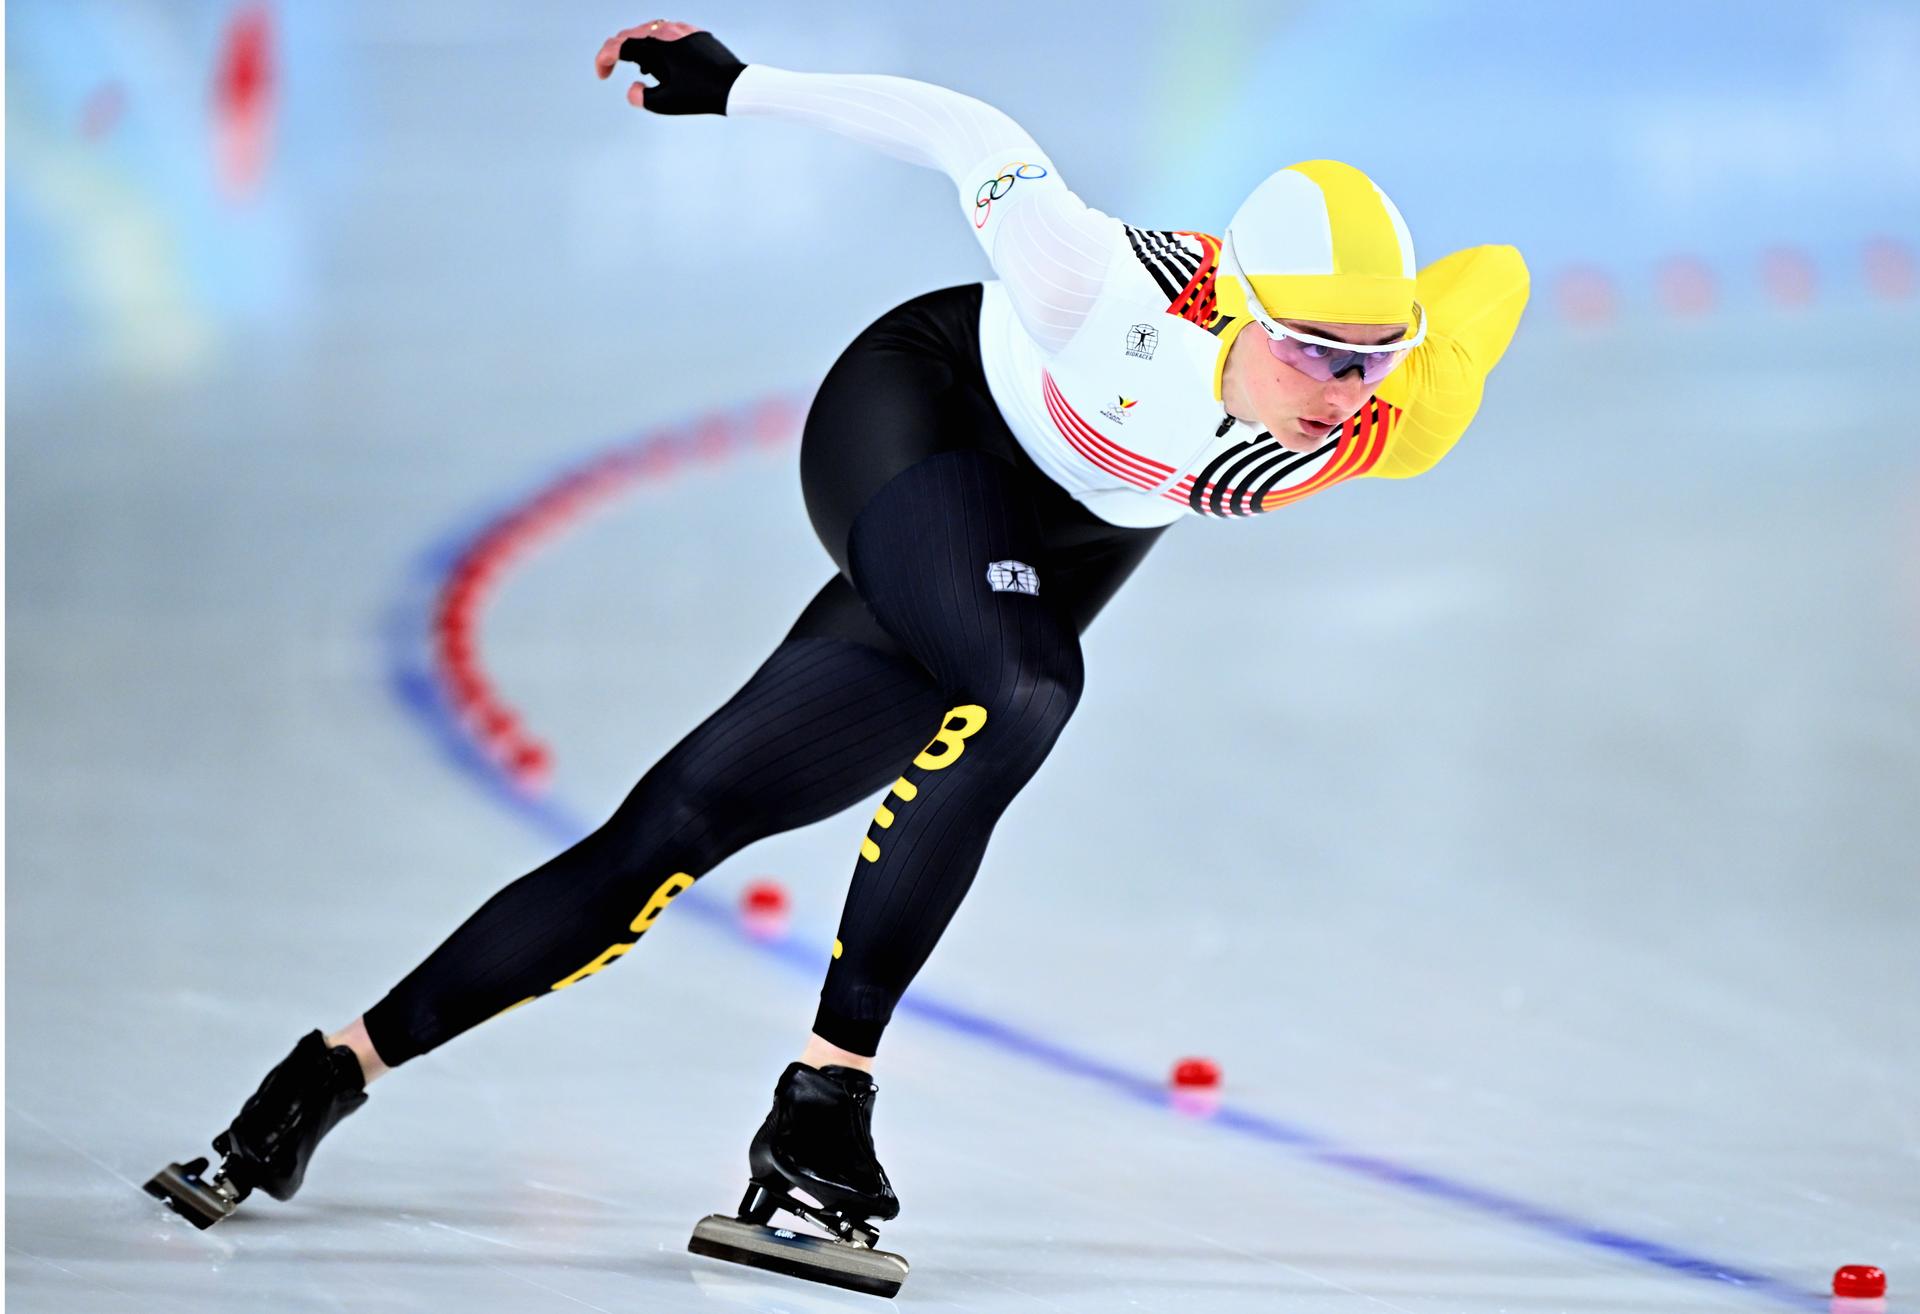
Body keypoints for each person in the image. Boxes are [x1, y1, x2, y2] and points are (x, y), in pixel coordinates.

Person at [147, 17, 1530, 1296]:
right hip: (919, 421)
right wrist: (739, 85)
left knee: (680, 820)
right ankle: (823, 1110)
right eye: (1315, 354)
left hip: (1071, 534)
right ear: (1237, 309)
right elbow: (966, 130)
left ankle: (323, 1075)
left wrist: (1408, 338)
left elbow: (1496, 281)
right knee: (1033, 683)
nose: (1348, 390)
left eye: (1375, 356)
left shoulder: (1391, 410)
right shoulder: (1100, 281)